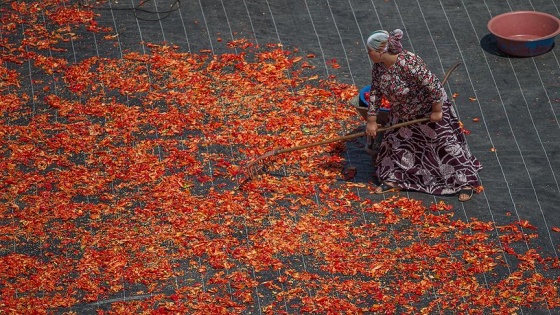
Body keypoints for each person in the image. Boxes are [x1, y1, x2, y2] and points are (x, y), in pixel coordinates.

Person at [365, 29, 482, 201]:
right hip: (402, 113)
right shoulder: (378, 67)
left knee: (445, 145)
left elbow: (434, 87)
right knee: (397, 145)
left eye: (370, 51)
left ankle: (463, 182)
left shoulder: (409, 63)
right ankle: (394, 179)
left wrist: (436, 111)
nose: (368, 54)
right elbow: (375, 91)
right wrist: (372, 120)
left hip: (428, 110)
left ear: (381, 50)